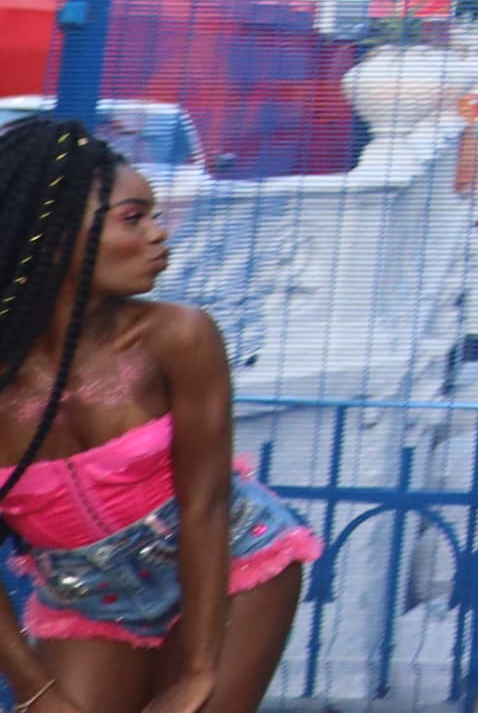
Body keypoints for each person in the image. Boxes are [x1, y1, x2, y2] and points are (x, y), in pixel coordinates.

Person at [0, 118, 317, 713]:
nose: (158, 235)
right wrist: (33, 688)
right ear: (53, 232)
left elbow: (205, 505)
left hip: (231, 568)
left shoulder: (178, 338)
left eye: (155, 216)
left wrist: (199, 669)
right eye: (133, 217)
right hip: (88, 600)